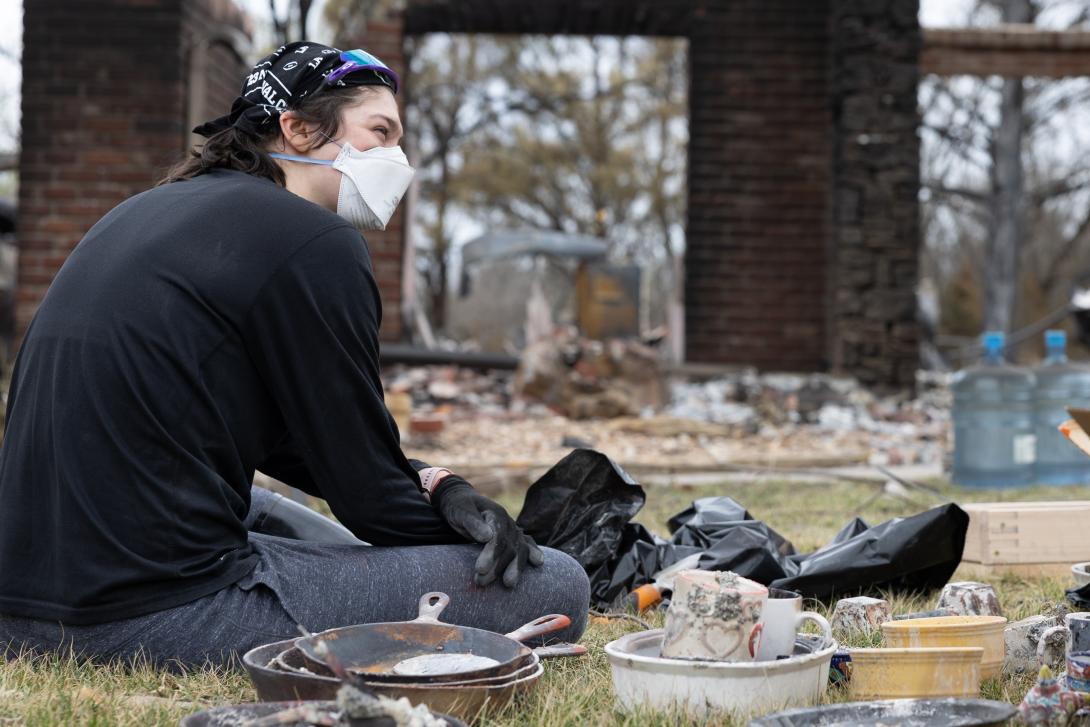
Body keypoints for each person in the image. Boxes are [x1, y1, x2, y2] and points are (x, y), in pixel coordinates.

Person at [0, 42, 589, 668]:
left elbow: (296, 443)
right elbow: (372, 502)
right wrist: (458, 527)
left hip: (21, 599)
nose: (397, 159)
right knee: (556, 583)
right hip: (143, 614)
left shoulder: (146, 210)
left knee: (270, 506)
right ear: (300, 128)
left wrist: (437, 485)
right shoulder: (315, 241)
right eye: (380, 132)